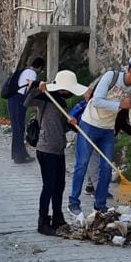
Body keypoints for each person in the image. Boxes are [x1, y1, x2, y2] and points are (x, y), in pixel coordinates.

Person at [68, 58, 131, 214]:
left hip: (108, 129)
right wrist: (120, 105)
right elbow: (97, 101)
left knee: (106, 167)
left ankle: (100, 205)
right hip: (89, 124)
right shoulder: (111, 77)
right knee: (82, 164)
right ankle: (73, 202)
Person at [24, 69, 87, 235]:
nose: (68, 92)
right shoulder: (44, 98)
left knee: (59, 186)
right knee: (49, 186)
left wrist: (72, 123)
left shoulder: (62, 103)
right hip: (45, 148)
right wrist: (38, 86)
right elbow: (27, 100)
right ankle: (43, 222)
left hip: (58, 148)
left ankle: (58, 218)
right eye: (67, 89)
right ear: (61, 87)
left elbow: (62, 127)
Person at [8, 56, 45, 164]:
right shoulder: (32, 73)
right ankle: (19, 157)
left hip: (14, 100)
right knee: (18, 129)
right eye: (41, 70)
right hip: (18, 101)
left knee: (18, 128)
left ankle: (20, 155)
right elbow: (31, 88)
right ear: (39, 68)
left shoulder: (24, 70)